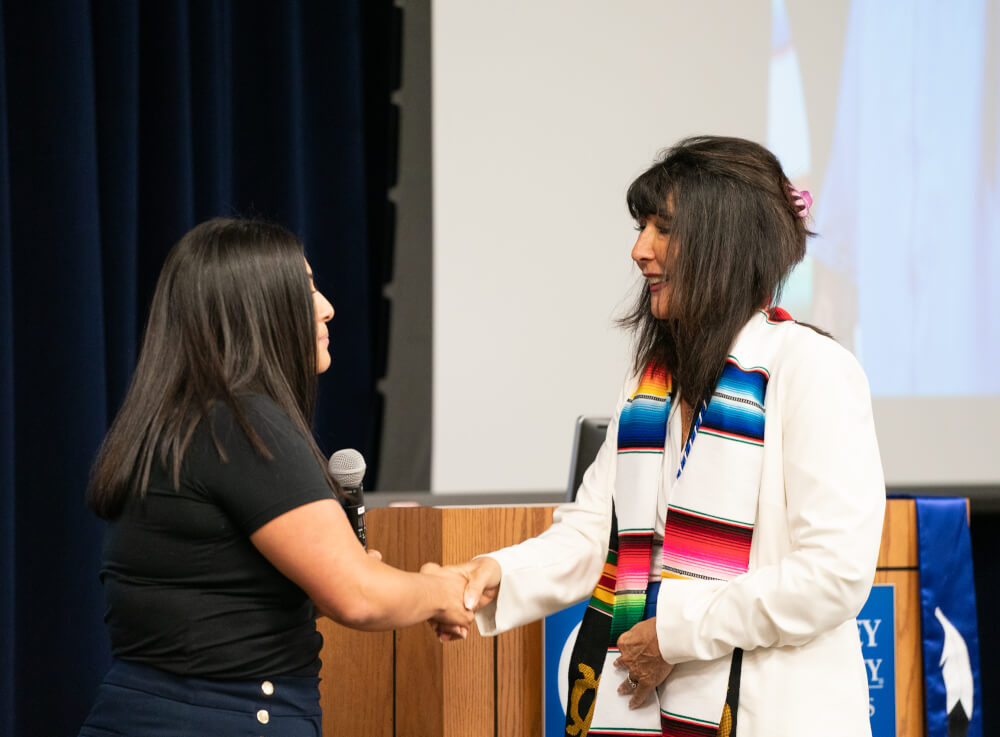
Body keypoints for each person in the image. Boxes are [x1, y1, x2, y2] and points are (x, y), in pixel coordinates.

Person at [435, 137, 886, 737]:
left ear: (723, 246)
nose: (639, 249)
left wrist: (677, 631)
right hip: (642, 708)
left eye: (663, 229)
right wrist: (493, 573)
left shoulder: (813, 370)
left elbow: (833, 574)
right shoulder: (650, 384)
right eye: (641, 226)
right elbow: (594, 531)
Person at [79, 218, 472, 736]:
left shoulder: (175, 422)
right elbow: (358, 597)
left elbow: (218, 607)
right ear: (256, 311)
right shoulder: (242, 423)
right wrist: (441, 590)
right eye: (306, 288)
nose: (327, 306)